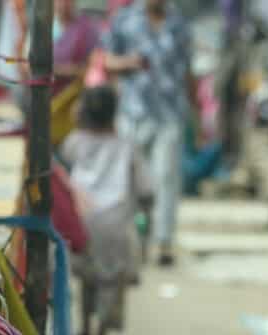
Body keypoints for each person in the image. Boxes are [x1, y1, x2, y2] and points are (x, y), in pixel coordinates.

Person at [60, 85, 151, 335]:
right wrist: (145, 213)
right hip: (115, 223)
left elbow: (63, 166)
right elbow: (146, 189)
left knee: (87, 277)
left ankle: (84, 328)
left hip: (81, 221)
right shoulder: (127, 146)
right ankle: (103, 331)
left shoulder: (74, 142)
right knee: (111, 281)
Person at [103, 0, 193, 266]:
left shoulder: (179, 23)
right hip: (133, 113)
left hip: (170, 114)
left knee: (165, 177)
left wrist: (196, 118)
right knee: (130, 181)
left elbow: (188, 72)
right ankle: (134, 240)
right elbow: (107, 61)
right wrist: (128, 63)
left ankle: (163, 241)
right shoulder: (125, 20)